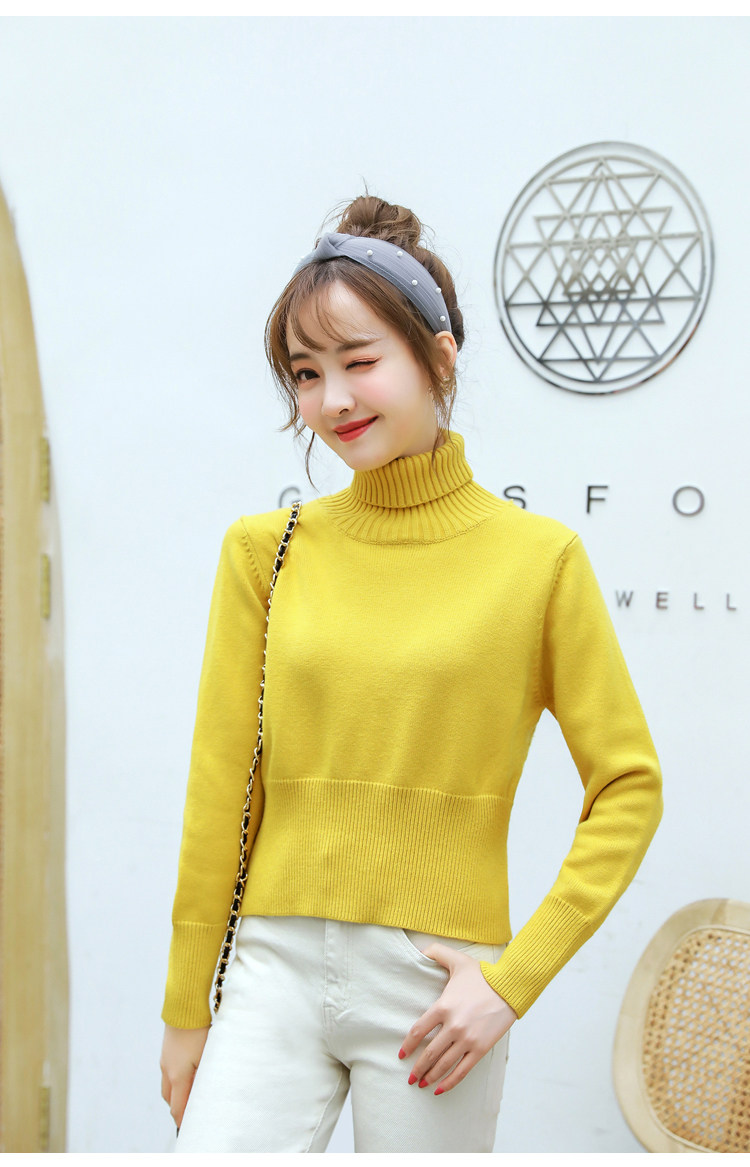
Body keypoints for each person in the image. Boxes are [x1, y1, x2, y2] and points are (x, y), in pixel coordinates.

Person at [159, 195, 662, 1153]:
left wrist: (511, 981)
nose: (333, 400)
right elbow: (222, 789)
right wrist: (188, 1007)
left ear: (439, 356)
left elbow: (630, 786)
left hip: (435, 984)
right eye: (307, 374)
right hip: (270, 965)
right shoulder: (265, 551)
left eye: (359, 361)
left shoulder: (539, 560)